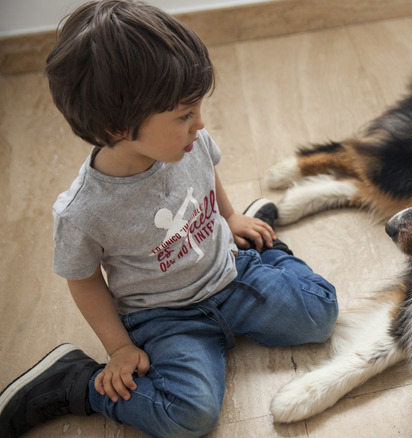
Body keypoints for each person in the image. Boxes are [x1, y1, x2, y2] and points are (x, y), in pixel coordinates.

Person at [0, 1, 338, 436]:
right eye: (183, 115)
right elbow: (83, 280)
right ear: (116, 124)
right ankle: (75, 383)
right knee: (190, 416)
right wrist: (119, 347)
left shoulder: (187, 141)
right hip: (164, 316)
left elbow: (207, 170)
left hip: (227, 272)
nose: (200, 123)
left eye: (197, 108)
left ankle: (261, 243)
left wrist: (231, 216)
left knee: (321, 313)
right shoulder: (82, 212)